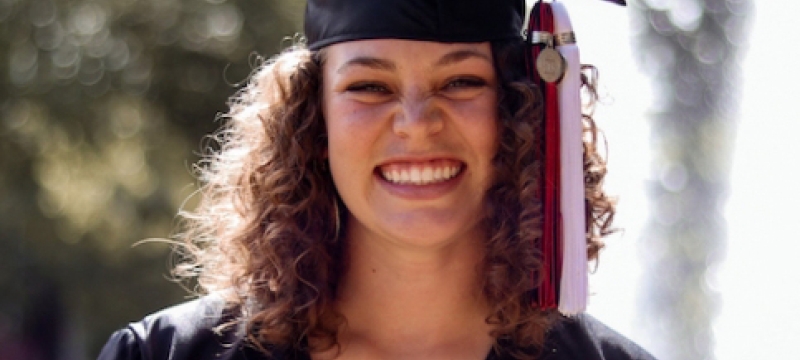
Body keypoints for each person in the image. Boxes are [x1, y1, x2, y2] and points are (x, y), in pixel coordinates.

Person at [98, 0, 655, 359]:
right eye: (370, 87)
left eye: (461, 81)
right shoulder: (167, 355)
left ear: (520, 111)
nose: (417, 125)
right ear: (313, 121)